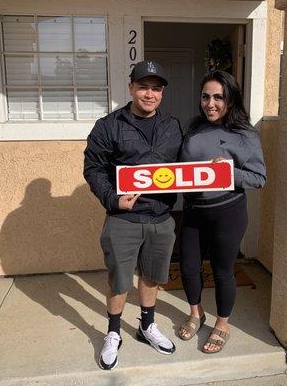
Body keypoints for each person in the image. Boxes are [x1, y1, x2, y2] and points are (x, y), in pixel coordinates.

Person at [83, 60, 183, 370]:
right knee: (120, 279)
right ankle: (113, 332)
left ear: (161, 93)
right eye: (143, 86)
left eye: (155, 88)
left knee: (152, 276)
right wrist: (113, 199)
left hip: (162, 217)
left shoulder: (172, 126)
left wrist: (213, 165)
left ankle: (146, 326)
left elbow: (186, 165)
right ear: (131, 89)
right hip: (123, 219)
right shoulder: (109, 125)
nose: (149, 93)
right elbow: (93, 168)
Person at [177, 70, 266, 353]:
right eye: (205, 97)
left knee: (223, 269)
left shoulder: (245, 134)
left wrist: (228, 172)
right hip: (192, 210)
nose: (210, 103)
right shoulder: (194, 127)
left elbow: (258, 177)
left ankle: (222, 323)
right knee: (189, 267)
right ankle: (196, 313)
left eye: (218, 97)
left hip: (227, 213)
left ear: (230, 100)